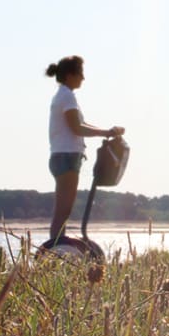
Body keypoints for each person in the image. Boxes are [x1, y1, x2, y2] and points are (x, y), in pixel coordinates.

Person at [46, 55, 125, 242]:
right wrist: (106, 133)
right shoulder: (66, 96)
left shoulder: (64, 95)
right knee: (63, 209)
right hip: (66, 156)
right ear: (69, 75)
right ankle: (55, 248)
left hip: (64, 156)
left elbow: (81, 123)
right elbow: (77, 128)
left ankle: (57, 245)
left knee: (63, 208)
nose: (83, 78)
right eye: (80, 74)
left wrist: (108, 131)